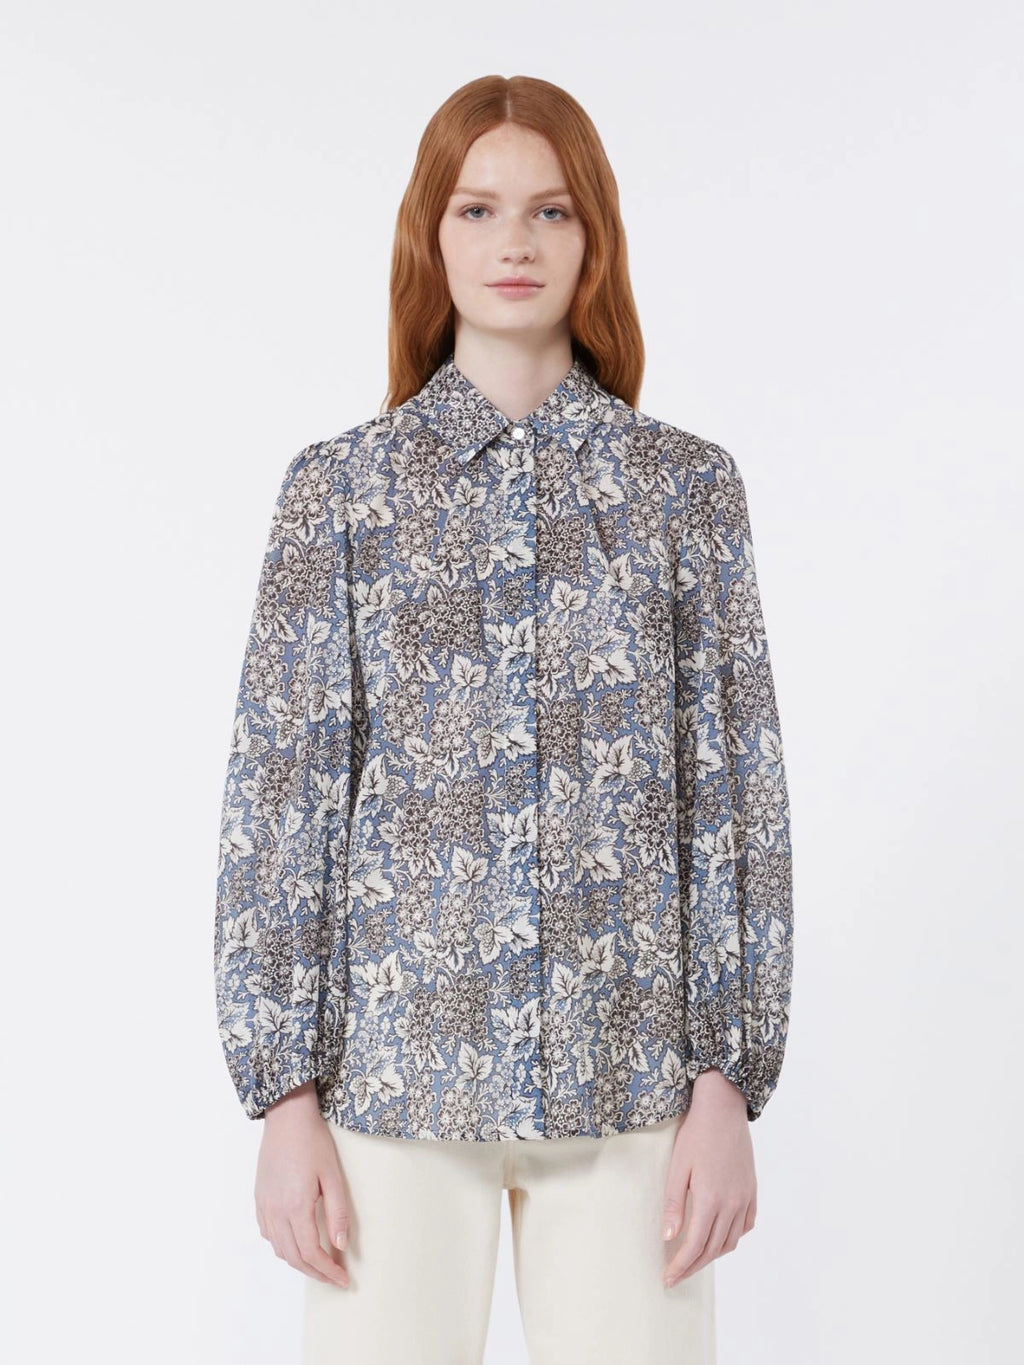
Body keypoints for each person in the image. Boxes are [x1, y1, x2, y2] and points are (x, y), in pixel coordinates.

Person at [214, 73, 794, 1365]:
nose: (514, 241)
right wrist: (284, 1099)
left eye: (550, 210)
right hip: (393, 1092)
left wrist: (727, 1086)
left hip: (633, 1089)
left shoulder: (684, 492)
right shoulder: (341, 494)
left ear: (595, 237)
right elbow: (282, 808)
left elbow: (735, 801)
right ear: (431, 233)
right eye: (477, 209)